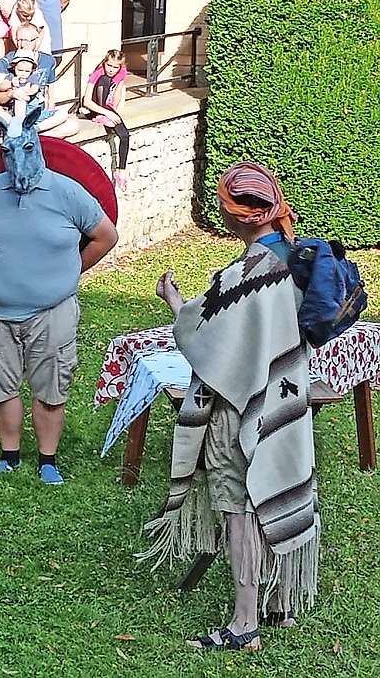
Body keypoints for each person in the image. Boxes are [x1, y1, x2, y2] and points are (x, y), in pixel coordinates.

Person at [140, 162, 319, 651]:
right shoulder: (297, 259)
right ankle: (281, 602)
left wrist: (174, 299)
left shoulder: (245, 274)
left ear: (237, 215)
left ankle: (244, 624)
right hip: (285, 398)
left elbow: (200, 335)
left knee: (238, 504)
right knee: (277, 485)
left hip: (239, 409)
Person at [0, 105, 118, 484]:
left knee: (51, 384)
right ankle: (9, 456)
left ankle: (48, 460)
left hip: (51, 310)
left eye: (24, 150)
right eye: (8, 152)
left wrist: (73, 268)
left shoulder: (67, 192)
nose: (16, 160)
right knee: (0, 383)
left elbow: (105, 236)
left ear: (37, 145)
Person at [82, 49, 129, 190]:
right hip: (94, 108)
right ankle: (100, 117)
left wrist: (114, 112)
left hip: (107, 108)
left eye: (116, 67)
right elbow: (87, 101)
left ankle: (121, 171)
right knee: (104, 80)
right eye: (109, 66)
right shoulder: (98, 74)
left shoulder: (121, 73)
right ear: (104, 63)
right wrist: (105, 113)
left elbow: (117, 95)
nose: (112, 70)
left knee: (125, 135)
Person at [0, 50, 44, 128]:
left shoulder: (32, 77)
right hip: (12, 113)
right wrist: (11, 84)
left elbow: (35, 88)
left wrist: (27, 92)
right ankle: (16, 126)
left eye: (27, 71)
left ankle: (21, 127)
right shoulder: (11, 76)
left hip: (30, 112)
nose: (23, 73)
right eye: (20, 70)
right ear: (14, 67)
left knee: (20, 97)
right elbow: (2, 87)